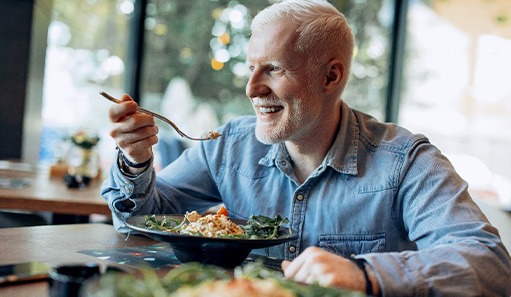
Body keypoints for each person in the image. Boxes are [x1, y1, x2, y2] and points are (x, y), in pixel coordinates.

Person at [101, 0, 511, 295]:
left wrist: (364, 274)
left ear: (331, 77)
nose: (251, 88)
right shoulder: (229, 146)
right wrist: (136, 163)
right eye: (250, 68)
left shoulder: (407, 162)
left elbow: (489, 264)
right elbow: (140, 220)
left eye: (273, 69)